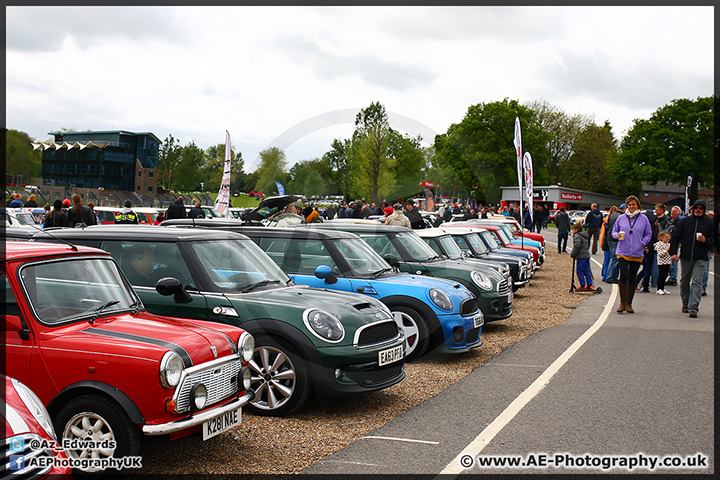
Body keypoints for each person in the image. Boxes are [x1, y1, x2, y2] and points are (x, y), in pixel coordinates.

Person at [668, 199, 714, 318]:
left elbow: (714, 241)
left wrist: (706, 241)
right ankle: (686, 303)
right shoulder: (685, 222)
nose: (698, 210)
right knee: (684, 281)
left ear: (703, 210)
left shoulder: (709, 222)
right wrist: (673, 252)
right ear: (693, 209)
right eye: (696, 208)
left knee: (697, 282)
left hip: (701, 257)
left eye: (701, 208)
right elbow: (676, 238)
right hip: (686, 256)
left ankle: (694, 308)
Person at [612, 195, 652, 314]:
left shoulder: (644, 219)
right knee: (624, 275)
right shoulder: (621, 218)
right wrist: (617, 235)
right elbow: (614, 231)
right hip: (622, 251)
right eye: (629, 205)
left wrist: (642, 243)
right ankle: (622, 302)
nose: (631, 207)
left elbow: (648, 234)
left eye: (634, 205)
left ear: (638, 206)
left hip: (637, 252)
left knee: (632, 277)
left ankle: (629, 304)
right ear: (626, 206)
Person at [634, 211, 660, 293]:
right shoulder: (651, 228)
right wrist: (646, 246)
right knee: (648, 268)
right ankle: (645, 285)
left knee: (646, 268)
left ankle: (636, 282)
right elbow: (649, 238)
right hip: (649, 249)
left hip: (647, 248)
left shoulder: (649, 227)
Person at [603, 204, 623, 283]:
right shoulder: (621, 217)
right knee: (614, 258)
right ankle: (610, 277)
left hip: (609, 238)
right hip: (615, 239)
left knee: (612, 258)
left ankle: (611, 276)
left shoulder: (612, 216)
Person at [571, 222, 593, 291]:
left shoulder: (577, 235)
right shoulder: (585, 235)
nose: (573, 231)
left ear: (576, 230)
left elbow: (577, 245)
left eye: (573, 230)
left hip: (581, 256)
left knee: (579, 271)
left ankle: (582, 285)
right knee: (586, 271)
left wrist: (573, 253)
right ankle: (590, 285)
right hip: (586, 255)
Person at [665, 205, 682, 285]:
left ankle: (673, 278)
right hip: (666, 242)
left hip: (674, 242)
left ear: (678, 213)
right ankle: (669, 276)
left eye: (674, 211)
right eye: (672, 211)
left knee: (673, 259)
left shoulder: (679, 222)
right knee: (667, 259)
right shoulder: (668, 221)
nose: (672, 212)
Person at [601, 206, 618, 281]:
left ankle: (607, 274)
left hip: (608, 241)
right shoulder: (606, 221)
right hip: (607, 242)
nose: (614, 213)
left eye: (615, 211)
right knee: (608, 260)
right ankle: (605, 275)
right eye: (612, 212)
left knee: (611, 259)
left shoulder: (611, 220)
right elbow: (603, 234)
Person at [654, 231, 672, 295]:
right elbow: (660, 254)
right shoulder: (659, 244)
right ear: (662, 238)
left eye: (668, 237)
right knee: (661, 275)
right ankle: (659, 289)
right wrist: (667, 250)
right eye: (666, 237)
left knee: (665, 275)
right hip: (662, 262)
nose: (668, 239)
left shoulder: (668, 244)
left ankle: (663, 287)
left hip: (668, 262)